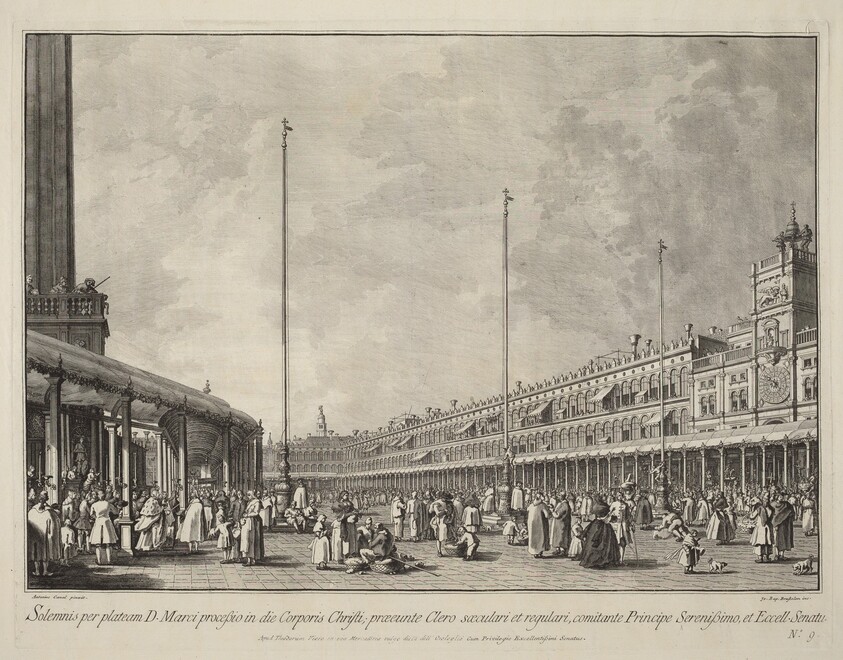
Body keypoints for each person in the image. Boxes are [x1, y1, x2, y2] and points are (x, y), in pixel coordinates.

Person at [579, 496, 621, 569]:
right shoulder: (604, 507)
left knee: (594, 542)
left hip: (596, 525)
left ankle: (592, 560)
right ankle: (603, 561)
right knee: (604, 543)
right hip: (603, 525)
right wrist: (611, 513)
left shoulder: (595, 507)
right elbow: (606, 518)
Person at [28, 494, 61, 576]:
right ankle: (45, 571)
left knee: (36, 552)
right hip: (45, 536)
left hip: (35, 537)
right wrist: (51, 536)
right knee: (44, 552)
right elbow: (52, 527)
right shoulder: (49, 512)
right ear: (46, 499)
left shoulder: (32, 511)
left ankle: (37, 571)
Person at [89, 490, 119, 565]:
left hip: (98, 522)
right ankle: (108, 560)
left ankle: (99, 561)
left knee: (98, 544)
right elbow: (116, 512)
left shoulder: (94, 504)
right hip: (106, 522)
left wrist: (96, 517)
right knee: (107, 543)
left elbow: (91, 514)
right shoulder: (108, 504)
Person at [608, 491, 634, 565]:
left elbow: (629, 516)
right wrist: (612, 517)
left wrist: (631, 523)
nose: (620, 497)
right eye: (618, 495)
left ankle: (621, 560)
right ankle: (614, 559)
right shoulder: (614, 504)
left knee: (623, 543)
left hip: (624, 526)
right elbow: (609, 513)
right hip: (616, 526)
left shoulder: (626, 505)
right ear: (616, 496)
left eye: (621, 495)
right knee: (615, 542)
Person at [748, 495, 774, 563]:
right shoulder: (771, 509)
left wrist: (751, 509)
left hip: (761, 527)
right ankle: (766, 557)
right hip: (768, 527)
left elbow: (752, 516)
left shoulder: (760, 508)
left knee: (760, 542)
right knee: (767, 542)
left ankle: (761, 557)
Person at [770, 492, 795, 561]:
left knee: (783, 540)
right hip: (776, 525)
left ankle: (782, 555)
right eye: (780, 496)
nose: (781, 498)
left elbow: (791, 512)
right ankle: (776, 555)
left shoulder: (786, 504)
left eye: (782, 496)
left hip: (784, 525)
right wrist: (774, 523)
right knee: (776, 541)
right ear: (777, 497)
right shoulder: (773, 504)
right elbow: (771, 515)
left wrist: (790, 516)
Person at [526, 493, 550, 559]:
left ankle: (534, 552)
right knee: (540, 537)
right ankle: (539, 552)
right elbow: (547, 515)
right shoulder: (542, 505)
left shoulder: (531, 505)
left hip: (531, 524)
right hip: (540, 524)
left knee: (533, 537)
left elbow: (527, 509)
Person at [549, 492, 572, 556]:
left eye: (559, 495)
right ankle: (557, 549)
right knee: (557, 535)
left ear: (563, 496)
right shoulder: (560, 503)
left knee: (561, 536)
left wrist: (552, 511)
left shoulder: (565, 505)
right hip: (558, 523)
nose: (558, 497)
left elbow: (558, 515)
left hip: (562, 523)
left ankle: (562, 551)